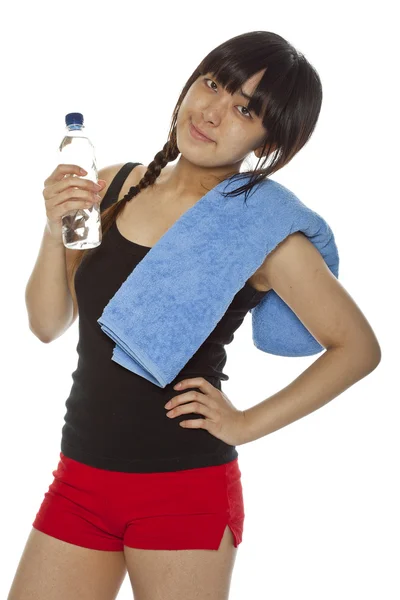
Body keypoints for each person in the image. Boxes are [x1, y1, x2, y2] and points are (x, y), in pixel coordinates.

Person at [8, 31, 381, 600]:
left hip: (182, 489)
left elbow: (358, 348)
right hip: (80, 476)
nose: (211, 112)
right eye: (213, 83)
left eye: (244, 109)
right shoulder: (113, 184)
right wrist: (54, 226)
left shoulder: (264, 230)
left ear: (268, 137)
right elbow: (46, 323)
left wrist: (244, 423)